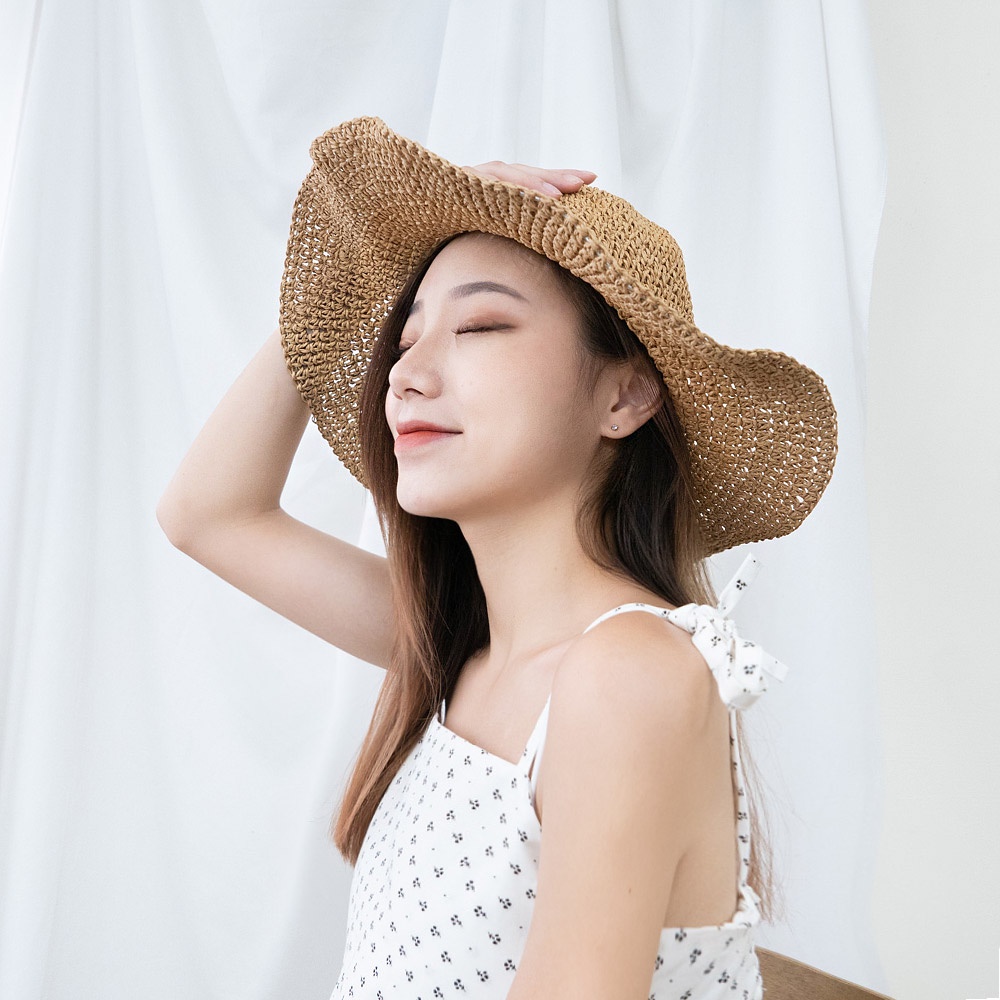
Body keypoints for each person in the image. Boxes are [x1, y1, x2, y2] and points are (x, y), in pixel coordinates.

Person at [157, 117, 837, 1000]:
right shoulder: (464, 646)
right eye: (403, 340)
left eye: (479, 325)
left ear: (625, 395)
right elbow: (205, 513)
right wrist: (345, 285)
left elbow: (211, 514)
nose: (405, 375)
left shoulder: (627, 675)